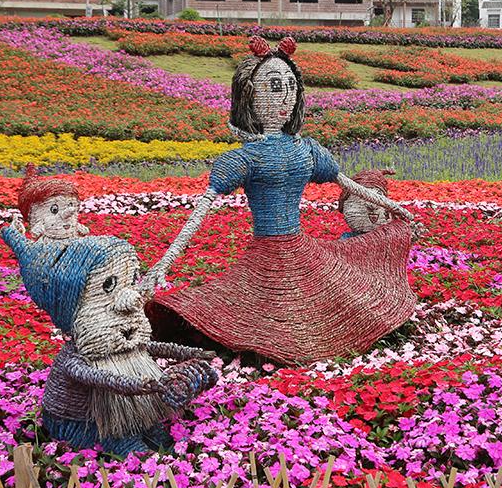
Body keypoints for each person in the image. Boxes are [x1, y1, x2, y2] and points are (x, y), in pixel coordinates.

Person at [143, 36, 418, 364]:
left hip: (300, 246)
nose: (285, 96)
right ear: (251, 95)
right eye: (274, 86)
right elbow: (202, 210)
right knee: (266, 307)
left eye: (290, 86)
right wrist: (164, 261)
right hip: (266, 251)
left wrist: (396, 209)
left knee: (331, 297)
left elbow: (347, 184)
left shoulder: (307, 150)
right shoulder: (244, 159)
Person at [2, 228, 218, 455]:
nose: (131, 300)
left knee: (149, 422)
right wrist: (138, 386)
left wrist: (188, 353)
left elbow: (147, 348)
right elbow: (97, 377)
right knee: (115, 429)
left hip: (127, 406)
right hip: (83, 421)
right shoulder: (77, 357)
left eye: (130, 282)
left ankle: (145, 427)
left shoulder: (119, 339)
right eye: (108, 286)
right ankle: (122, 439)